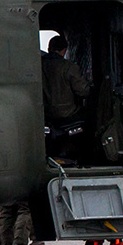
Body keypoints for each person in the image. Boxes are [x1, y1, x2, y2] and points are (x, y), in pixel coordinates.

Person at [43, 34, 91, 162]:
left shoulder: (39, 66)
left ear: (49, 49)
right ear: (64, 50)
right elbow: (83, 91)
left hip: (45, 114)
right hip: (67, 114)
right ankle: (84, 158)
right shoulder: (69, 67)